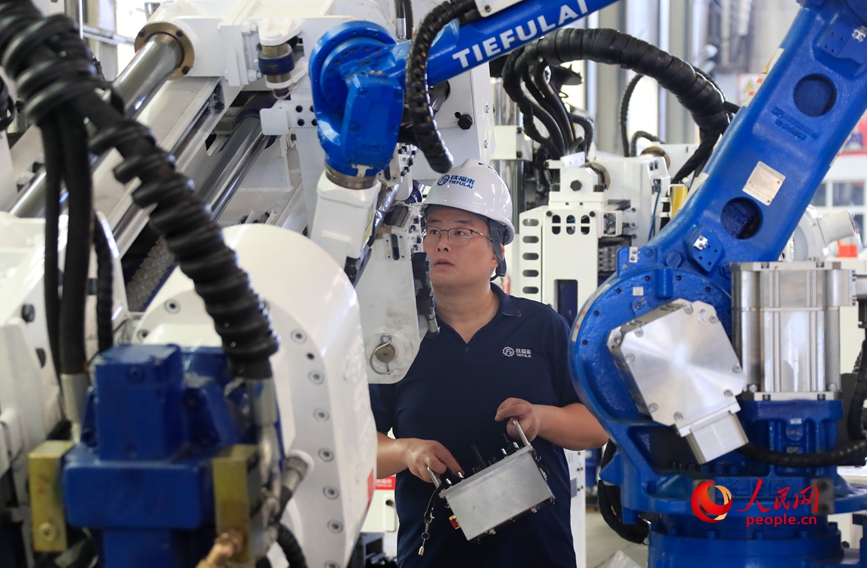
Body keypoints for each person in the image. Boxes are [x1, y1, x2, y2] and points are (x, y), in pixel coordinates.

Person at [369, 159, 609, 568]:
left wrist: (540, 418)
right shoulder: (393, 337)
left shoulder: (541, 326)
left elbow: (596, 427)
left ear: (497, 252)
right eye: (433, 230)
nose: (442, 243)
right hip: (435, 557)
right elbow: (358, 448)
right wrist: (407, 452)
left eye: (462, 231)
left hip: (538, 556)